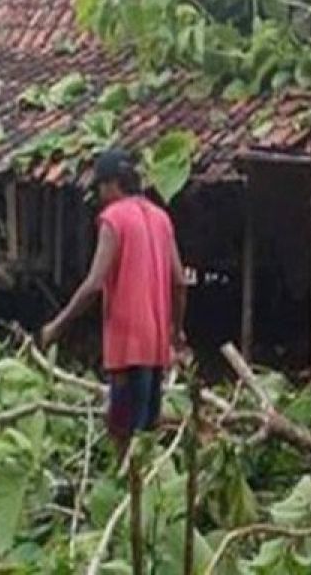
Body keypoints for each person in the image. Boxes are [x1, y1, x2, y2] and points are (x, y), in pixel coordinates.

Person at [40, 148, 187, 454]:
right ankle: (141, 491)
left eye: (100, 187)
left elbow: (94, 284)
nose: (99, 194)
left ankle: (122, 486)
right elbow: (179, 281)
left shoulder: (112, 219)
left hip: (125, 344)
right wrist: (175, 331)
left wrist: (57, 325)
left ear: (112, 185)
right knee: (147, 430)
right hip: (156, 343)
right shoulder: (162, 218)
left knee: (122, 430)